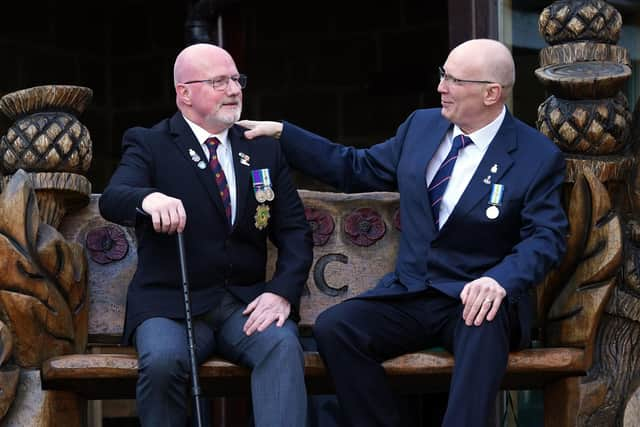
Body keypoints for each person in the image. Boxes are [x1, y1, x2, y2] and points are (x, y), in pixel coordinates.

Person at [238, 38, 568, 427]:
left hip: (474, 298)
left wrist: (499, 280)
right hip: (412, 292)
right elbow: (354, 167)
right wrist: (284, 134)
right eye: (443, 74)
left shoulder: (535, 155)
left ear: (492, 94)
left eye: (455, 80)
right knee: (336, 329)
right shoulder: (421, 126)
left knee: (483, 326)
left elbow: (546, 236)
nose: (442, 87)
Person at [99, 43, 313, 427]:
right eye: (219, 81)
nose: (234, 90)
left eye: (236, 79)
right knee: (163, 362)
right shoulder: (151, 143)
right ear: (184, 93)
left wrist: (281, 291)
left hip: (242, 303)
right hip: (171, 303)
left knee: (282, 347)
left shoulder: (262, 150)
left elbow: (295, 231)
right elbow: (114, 197)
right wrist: (148, 199)